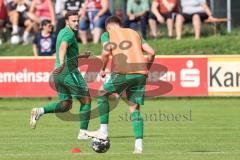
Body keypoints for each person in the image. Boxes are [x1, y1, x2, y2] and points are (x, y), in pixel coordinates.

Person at [85, 16, 155, 154]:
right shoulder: (135, 33)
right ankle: (138, 147)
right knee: (134, 108)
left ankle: (103, 131)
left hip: (123, 71)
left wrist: (103, 68)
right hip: (140, 73)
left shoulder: (108, 34)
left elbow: (105, 52)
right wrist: (145, 69)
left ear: (108, 27)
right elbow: (152, 52)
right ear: (120, 24)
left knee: (101, 93)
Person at [30, 11, 92, 140]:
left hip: (58, 74)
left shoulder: (62, 32)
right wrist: (63, 64)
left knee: (65, 105)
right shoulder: (69, 34)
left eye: (77, 20)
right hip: (68, 71)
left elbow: (65, 50)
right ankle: (83, 133)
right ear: (67, 21)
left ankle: (39, 111)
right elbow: (63, 48)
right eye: (73, 21)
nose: (76, 23)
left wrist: (81, 56)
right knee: (86, 100)